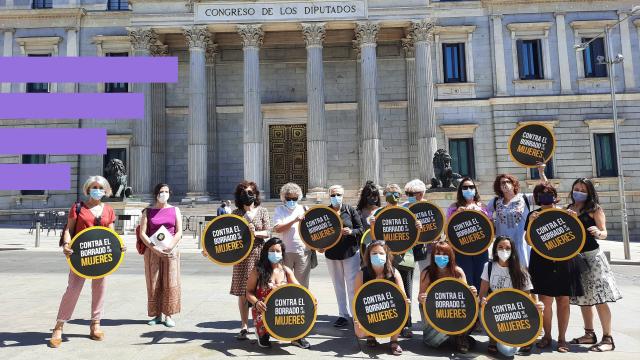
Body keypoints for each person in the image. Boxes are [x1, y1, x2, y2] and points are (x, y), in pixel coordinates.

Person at [49, 176, 121, 348]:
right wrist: (66, 244)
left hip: (101, 256)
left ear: (106, 190)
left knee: (100, 289)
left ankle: (95, 324)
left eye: (101, 187)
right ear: (88, 189)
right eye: (94, 186)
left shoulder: (109, 210)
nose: (97, 189)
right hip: (80, 256)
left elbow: (111, 234)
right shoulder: (78, 207)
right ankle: (59, 326)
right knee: (72, 290)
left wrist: (119, 246)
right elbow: (69, 229)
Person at [526, 183, 583, 353]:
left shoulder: (565, 213)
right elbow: (528, 240)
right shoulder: (533, 215)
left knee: (563, 300)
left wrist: (574, 218)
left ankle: (562, 338)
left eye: (549, 193)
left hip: (564, 260)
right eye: (542, 194)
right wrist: (530, 223)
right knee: (545, 301)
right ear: (537, 197)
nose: (546, 196)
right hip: (542, 262)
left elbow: (575, 235)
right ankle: (547, 336)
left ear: (554, 195)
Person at [567, 178, 621, 352]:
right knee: (584, 299)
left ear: (589, 192)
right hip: (576, 258)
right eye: (577, 188)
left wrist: (599, 232)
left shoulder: (594, 209)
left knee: (600, 298)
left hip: (593, 257)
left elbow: (604, 232)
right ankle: (589, 334)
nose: (579, 192)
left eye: (583, 189)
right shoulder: (568, 209)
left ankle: (608, 338)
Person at [478, 236, 544, 356]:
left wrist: (538, 306)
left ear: (513, 250)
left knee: (508, 352)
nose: (504, 250)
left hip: (514, 314)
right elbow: (482, 293)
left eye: (508, 248)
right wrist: (481, 301)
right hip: (494, 311)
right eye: (501, 247)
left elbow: (528, 299)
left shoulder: (521, 271)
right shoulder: (488, 267)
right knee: (481, 309)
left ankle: (522, 339)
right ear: (495, 250)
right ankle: (493, 340)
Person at [371, 184, 420, 338]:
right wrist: (372, 224)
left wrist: (418, 227)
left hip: (405, 258)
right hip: (384, 259)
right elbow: (374, 239)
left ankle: (406, 324)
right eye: (390, 193)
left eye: (396, 193)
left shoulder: (407, 212)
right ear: (385, 195)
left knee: (405, 292)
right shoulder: (378, 213)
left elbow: (414, 237)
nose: (394, 195)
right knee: (385, 293)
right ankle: (387, 322)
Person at [246, 237, 311, 349]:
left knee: (299, 309)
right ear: (266, 252)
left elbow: (301, 291)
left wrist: (312, 300)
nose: (274, 253)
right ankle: (262, 334)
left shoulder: (286, 271)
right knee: (264, 335)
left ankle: (297, 337)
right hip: (263, 310)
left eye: (277, 251)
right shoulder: (257, 271)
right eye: (271, 251)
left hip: (283, 309)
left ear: (282, 253)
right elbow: (248, 292)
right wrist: (256, 303)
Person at [418, 241, 478, 353]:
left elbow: (466, 296)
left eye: (444, 254)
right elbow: (420, 298)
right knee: (432, 342)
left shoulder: (457, 272)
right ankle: (454, 336)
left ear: (450, 256)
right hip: (434, 311)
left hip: (454, 311)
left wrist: (472, 292)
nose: (441, 257)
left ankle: (460, 336)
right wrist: (422, 298)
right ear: (433, 255)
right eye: (438, 254)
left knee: (476, 308)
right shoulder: (426, 273)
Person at [230, 181, 271, 340]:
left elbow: (268, 231)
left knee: (260, 290)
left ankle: (260, 324)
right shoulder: (236, 213)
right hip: (242, 256)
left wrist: (255, 233)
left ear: (255, 194)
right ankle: (244, 326)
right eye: (243, 193)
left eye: (250, 192)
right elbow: (231, 235)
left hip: (259, 253)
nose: (247, 195)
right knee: (242, 292)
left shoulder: (262, 211)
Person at [139, 183, 183, 327]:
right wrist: (153, 248)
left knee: (170, 282)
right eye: (161, 191)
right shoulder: (148, 211)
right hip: (152, 251)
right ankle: (156, 314)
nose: (164, 194)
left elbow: (179, 231)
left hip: (171, 250)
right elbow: (143, 233)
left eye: (166, 191)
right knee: (154, 282)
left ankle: (168, 315)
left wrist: (170, 246)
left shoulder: (175, 210)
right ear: (156, 194)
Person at [487, 163, 547, 267]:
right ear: (499, 187)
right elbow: (485, 216)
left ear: (514, 184)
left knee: (524, 275)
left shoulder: (525, 198)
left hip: (522, 245)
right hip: (503, 247)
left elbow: (545, 190)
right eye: (502, 183)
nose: (505, 184)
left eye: (508, 181)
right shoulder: (495, 202)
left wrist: (541, 172)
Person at [353, 240, 408, 355]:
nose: (378, 256)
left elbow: (402, 296)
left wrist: (405, 301)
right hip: (370, 309)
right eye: (374, 253)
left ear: (386, 255)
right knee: (359, 333)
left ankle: (394, 341)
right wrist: (358, 318)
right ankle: (370, 335)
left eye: (381, 253)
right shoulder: (361, 274)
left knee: (404, 307)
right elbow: (357, 300)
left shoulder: (394, 273)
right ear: (368, 255)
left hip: (390, 308)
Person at [324, 185, 363, 328]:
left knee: (352, 285)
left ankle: (355, 315)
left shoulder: (350, 210)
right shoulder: (325, 212)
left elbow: (361, 229)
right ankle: (342, 315)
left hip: (350, 252)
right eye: (333, 195)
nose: (336, 197)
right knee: (338, 285)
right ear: (329, 196)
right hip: (332, 254)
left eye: (338, 194)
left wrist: (351, 231)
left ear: (343, 195)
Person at [445, 177, 490, 290]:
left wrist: (480, 212)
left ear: (475, 189)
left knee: (481, 279)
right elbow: (447, 230)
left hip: (480, 248)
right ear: (460, 190)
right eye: (465, 187)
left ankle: (480, 305)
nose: (468, 189)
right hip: (461, 250)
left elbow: (491, 227)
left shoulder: (482, 207)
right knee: (465, 280)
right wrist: (456, 215)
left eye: (471, 187)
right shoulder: (453, 207)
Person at [273, 182, 312, 288]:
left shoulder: (304, 209)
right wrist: (294, 220)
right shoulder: (279, 210)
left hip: (303, 252)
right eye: (289, 198)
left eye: (294, 199)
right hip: (286, 252)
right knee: (285, 284)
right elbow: (278, 229)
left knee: (302, 285)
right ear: (284, 198)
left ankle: (303, 304)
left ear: (298, 197)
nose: (291, 201)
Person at [402, 179, 430, 273]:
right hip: (407, 247)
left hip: (424, 246)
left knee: (425, 273)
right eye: (407, 193)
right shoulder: (403, 207)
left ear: (421, 194)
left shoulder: (429, 207)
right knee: (408, 275)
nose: (409, 196)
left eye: (411, 194)